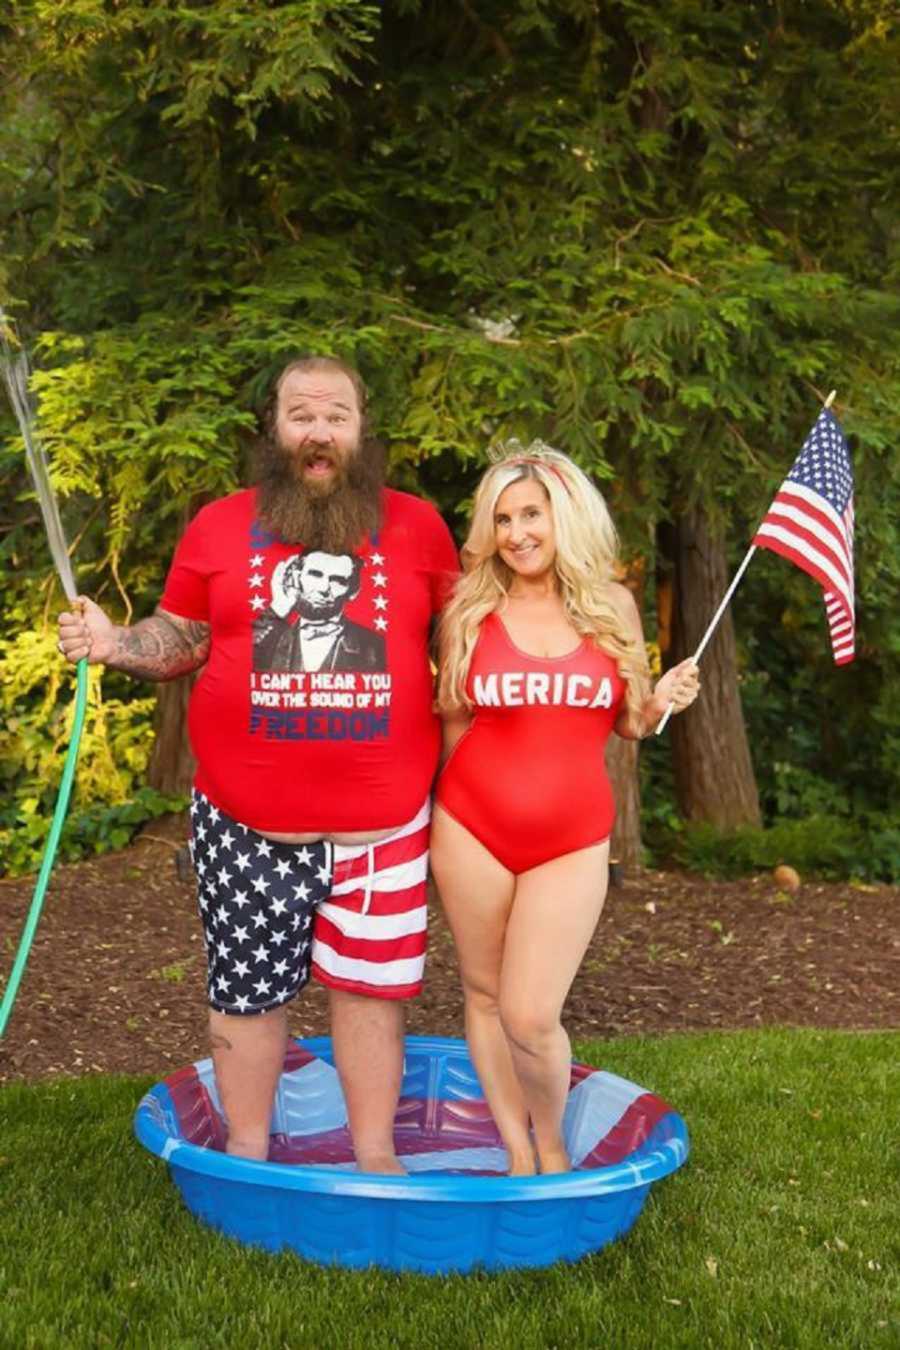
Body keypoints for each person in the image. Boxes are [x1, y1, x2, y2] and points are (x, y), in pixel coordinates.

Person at [58, 355, 458, 1172]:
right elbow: (182, 640)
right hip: (244, 826)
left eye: (336, 416)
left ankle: (376, 1157)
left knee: (371, 998)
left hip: (383, 832)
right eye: (301, 415)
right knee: (245, 994)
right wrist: (114, 643)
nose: (318, 433)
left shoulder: (419, 527)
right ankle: (245, 1156)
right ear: (275, 429)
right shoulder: (217, 525)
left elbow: (463, 655)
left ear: (362, 429)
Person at [431, 441, 699, 1176]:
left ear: (565, 516)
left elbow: (629, 726)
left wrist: (660, 700)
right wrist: (452, 812)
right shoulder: (471, 608)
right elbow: (454, 722)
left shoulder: (610, 605)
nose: (517, 532)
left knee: (529, 1013)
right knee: (484, 998)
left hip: (571, 839)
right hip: (471, 830)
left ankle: (552, 1146)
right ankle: (517, 1154)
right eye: (504, 518)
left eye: (531, 515)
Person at [253, 548, 386, 671]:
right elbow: (241, 659)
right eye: (315, 574)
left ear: (353, 591)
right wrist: (278, 607)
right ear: (297, 578)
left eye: (337, 580)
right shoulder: (271, 638)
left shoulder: (375, 646)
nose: (323, 588)